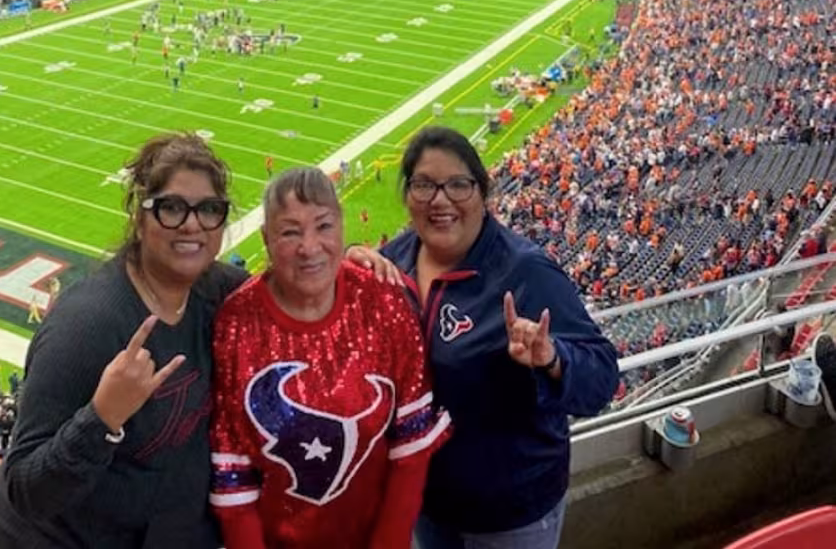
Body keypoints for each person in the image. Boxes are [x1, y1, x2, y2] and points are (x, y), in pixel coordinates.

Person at [0, 132, 246, 549]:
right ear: (140, 218)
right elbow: (25, 490)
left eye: (209, 210)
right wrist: (102, 418)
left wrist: (355, 269)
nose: (192, 223)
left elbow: (293, 292)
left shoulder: (217, 289)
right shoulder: (88, 326)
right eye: (172, 208)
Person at [381, 126, 619, 549]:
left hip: (510, 514)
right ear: (406, 195)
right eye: (423, 185)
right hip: (425, 501)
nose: (440, 200)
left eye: (458, 185)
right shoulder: (391, 264)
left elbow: (602, 378)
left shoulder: (525, 272)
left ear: (482, 192)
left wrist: (552, 358)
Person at [210, 167, 450, 549]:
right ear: (266, 240)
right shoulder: (236, 322)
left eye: (323, 226)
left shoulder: (384, 301)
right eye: (290, 231)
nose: (309, 246)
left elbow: (411, 445)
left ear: (341, 227)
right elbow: (233, 471)